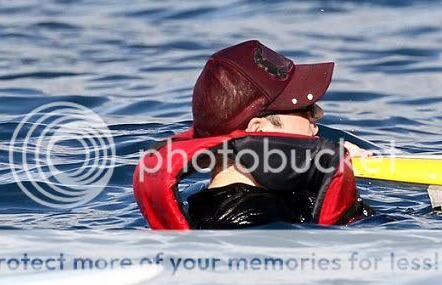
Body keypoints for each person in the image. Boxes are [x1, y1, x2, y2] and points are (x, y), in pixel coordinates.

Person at [133, 40, 373, 230]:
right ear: (260, 130)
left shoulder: (204, 205)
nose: (318, 114)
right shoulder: (256, 221)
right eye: (305, 108)